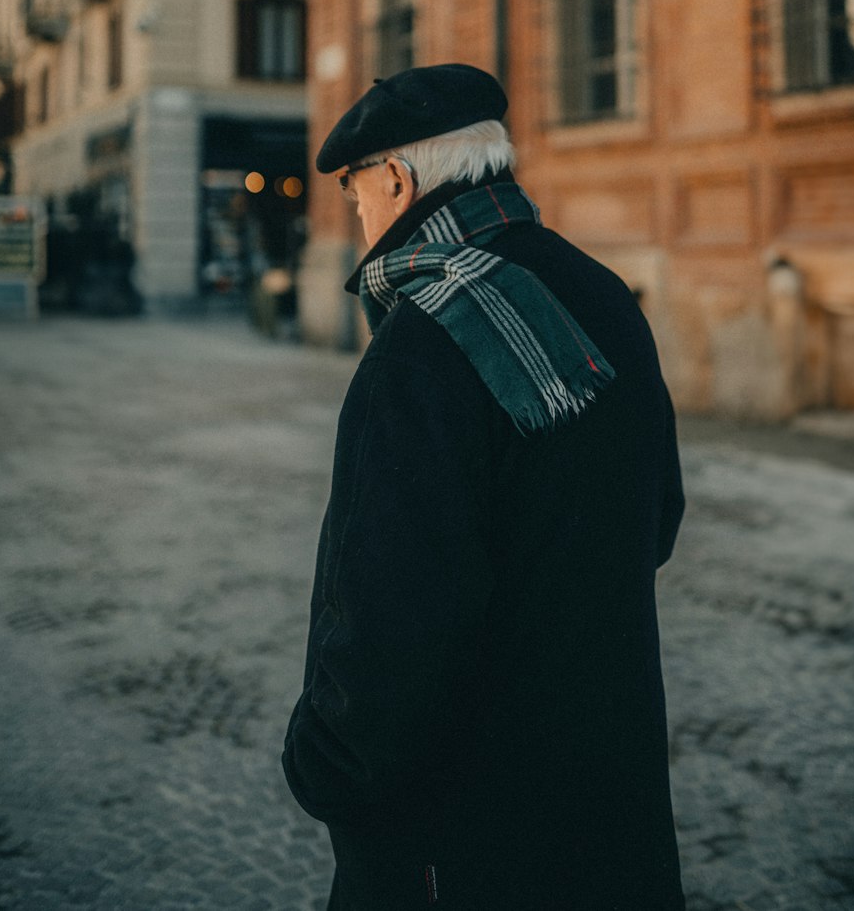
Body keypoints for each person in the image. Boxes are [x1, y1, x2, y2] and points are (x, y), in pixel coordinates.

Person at [282, 63, 685, 910]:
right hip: (611, 793)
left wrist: (324, 765)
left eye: (355, 193)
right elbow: (659, 520)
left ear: (394, 179)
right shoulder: (601, 292)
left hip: (465, 837)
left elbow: (388, 621)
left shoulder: (418, 347)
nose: (357, 216)